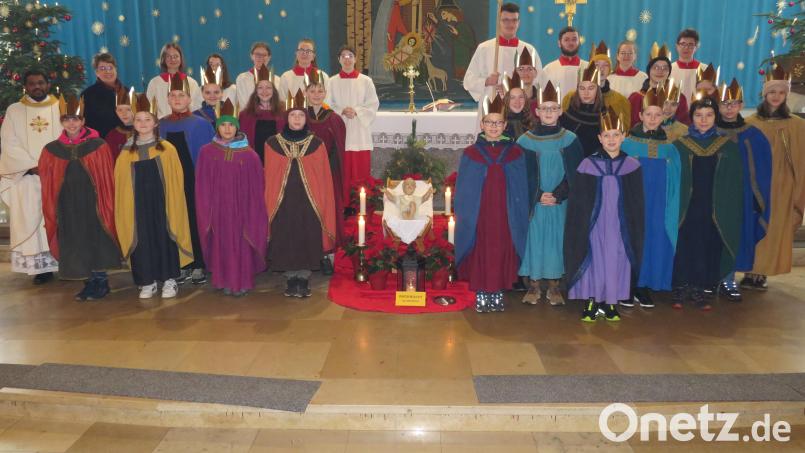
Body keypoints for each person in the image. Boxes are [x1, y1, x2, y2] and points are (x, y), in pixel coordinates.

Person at [565, 107, 644, 322]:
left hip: (620, 226)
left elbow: (636, 202)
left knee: (617, 260)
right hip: (595, 224)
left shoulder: (632, 165)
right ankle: (591, 300)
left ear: (624, 136)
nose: (611, 140)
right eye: (607, 135)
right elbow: (578, 201)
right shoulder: (587, 165)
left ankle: (611, 302)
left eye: (616, 135)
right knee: (594, 260)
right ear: (600, 138)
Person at [39, 94, 121, 301]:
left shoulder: (98, 145)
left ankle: (101, 281)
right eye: (67, 119)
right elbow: (48, 181)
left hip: (94, 204)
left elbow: (106, 177)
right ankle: (88, 282)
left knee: (96, 238)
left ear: (83, 121)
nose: (71, 123)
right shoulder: (51, 150)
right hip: (68, 205)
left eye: (75, 119)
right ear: (61, 122)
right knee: (76, 240)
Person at [114, 94, 193, 299]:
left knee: (164, 236)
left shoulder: (167, 149)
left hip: (162, 204)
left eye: (147, 119)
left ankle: (169, 280)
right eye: (138, 120)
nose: (143, 123)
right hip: (136, 206)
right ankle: (146, 281)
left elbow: (176, 181)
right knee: (141, 239)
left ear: (155, 122)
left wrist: (171, 204)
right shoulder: (125, 152)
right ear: (133, 123)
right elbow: (121, 185)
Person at [455, 94, 528, 313]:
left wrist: (517, 211)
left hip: (505, 212)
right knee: (481, 248)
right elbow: (464, 189)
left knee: (501, 247)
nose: (494, 127)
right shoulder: (471, 153)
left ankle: (497, 290)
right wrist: (467, 214)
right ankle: (481, 290)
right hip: (481, 212)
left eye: (498, 122)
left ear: (505, 125)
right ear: (482, 124)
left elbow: (520, 186)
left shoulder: (515, 152)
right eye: (489, 122)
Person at [672, 92, 743, 310]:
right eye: (699, 115)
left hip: (713, 207)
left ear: (715, 117)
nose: (703, 120)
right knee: (685, 244)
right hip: (687, 205)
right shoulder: (680, 145)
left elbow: (734, 182)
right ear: (691, 118)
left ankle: (702, 288)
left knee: (708, 245)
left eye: (709, 115)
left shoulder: (727, 146)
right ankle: (682, 286)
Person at [265, 89, 337, 298]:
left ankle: (304, 277)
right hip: (283, 200)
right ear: (286, 119)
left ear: (306, 119)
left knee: (307, 233)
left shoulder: (316, 144)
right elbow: (270, 176)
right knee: (285, 233)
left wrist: (322, 201)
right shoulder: (272, 143)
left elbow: (323, 177)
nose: (296, 119)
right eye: (292, 115)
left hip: (309, 200)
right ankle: (290, 278)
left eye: (300, 116)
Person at [517, 81, 584, 306]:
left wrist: (558, 194)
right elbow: (520, 175)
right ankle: (534, 285)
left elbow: (577, 173)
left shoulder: (570, 140)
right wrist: (538, 195)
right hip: (534, 203)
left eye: (553, 108)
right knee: (535, 241)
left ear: (560, 111)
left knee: (557, 240)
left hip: (559, 201)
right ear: (537, 111)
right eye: (544, 108)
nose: (549, 113)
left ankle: (555, 286)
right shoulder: (525, 141)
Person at [196, 99, 267, 297]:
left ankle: (242, 280)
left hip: (242, 210)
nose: (227, 129)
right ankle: (223, 279)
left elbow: (257, 188)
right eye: (223, 125)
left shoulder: (250, 155)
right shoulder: (207, 152)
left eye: (231, 125)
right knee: (222, 242)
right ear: (217, 127)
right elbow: (201, 184)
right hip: (218, 210)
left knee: (241, 242)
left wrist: (253, 210)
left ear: (237, 128)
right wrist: (206, 208)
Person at [744, 65, 805, 288]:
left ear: (786, 94)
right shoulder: (751, 123)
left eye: (781, 92)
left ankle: (763, 271)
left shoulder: (798, 126)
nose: (776, 96)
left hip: (782, 185)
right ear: (764, 94)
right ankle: (750, 269)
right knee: (754, 223)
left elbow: (801, 159)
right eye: (772, 92)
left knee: (774, 225)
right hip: (756, 184)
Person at [621, 87, 682, 308]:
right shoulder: (626, 144)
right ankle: (627, 285)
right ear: (640, 116)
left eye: (658, 114)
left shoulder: (670, 148)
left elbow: (676, 179)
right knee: (631, 237)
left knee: (653, 239)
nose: (653, 118)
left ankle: (644, 285)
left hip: (659, 205)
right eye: (649, 114)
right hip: (634, 203)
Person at [0, 70, 61, 284]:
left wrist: (54, 166)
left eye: (41, 83)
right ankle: (41, 267)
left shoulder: (59, 107)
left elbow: (68, 136)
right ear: (25, 86)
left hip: (56, 175)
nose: (37, 86)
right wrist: (33, 166)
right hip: (27, 176)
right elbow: (8, 143)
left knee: (58, 218)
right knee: (32, 221)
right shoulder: (14, 110)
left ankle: (64, 261)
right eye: (32, 83)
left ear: (48, 84)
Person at [715, 78, 772, 301]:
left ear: (741, 105)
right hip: (714, 195)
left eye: (734, 103)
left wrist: (758, 198)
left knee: (736, 237)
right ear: (717, 106)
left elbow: (763, 169)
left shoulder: (754, 135)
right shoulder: (708, 131)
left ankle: (728, 280)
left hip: (742, 198)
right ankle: (711, 278)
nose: (729, 108)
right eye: (724, 103)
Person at [158, 74, 215, 286]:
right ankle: (182, 263)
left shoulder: (200, 124)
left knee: (194, 218)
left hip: (194, 179)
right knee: (175, 219)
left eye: (181, 95)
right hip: (171, 181)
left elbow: (209, 156)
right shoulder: (161, 125)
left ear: (189, 99)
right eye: (173, 95)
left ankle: (199, 262)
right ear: (167, 99)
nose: (177, 99)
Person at [463, 2, 541, 126]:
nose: (510, 24)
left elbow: (538, 82)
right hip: (492, 105)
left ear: (519, 23)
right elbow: (468, 81)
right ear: (498, 21)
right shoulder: (484, 48)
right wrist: (487, 81)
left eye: (514, 20)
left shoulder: (529, 50)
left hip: (521, 111)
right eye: (505, 20)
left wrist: (516, 89)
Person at [325, 45, 380, 202]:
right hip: (340, 130)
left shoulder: (366, 81)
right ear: (339, 60)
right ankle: (343, 204)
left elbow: (373, 104)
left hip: (359, 131)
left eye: (350, 55)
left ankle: (362, 205)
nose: (347, 59)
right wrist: (341, 110)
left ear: (355, 59)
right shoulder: (332, 81)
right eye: (344, 56)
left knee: (360, 169)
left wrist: (356, 111)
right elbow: (326, 104)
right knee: (342, 169)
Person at [306, 69, 347, 263]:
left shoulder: (334, 119)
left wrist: (326, 169)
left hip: (327, 173)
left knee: (327, 210)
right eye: (312, 91)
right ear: (306, 93)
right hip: (304, 174)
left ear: (325, 93)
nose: (316, 95)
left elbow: (338, 150)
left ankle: (329, 253)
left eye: (319, 91)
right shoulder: (298, 117)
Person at [562, 41, 630, 130]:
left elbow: (624, 131)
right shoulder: (571, 97)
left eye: (606, 65)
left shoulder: (620, 101)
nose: (601, 69)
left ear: (610, 69)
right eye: (597, 64)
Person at [628, 43, 690, 128]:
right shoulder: (636, 98)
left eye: (665, 68)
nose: (660, 72)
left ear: (669, 72)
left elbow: (684, 127)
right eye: (656, 68)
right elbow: (630, 126)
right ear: (649, 70)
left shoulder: (679, 97)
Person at [239, 65, 285, 163]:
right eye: (260, 88)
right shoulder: (245, 115)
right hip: (253, 161)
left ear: (274, 91)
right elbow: (241, 142)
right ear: (255, 92)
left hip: (277, 162)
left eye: (268, 87)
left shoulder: (283, 114)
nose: (264, 91)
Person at [146, 43, 201, 118]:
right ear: (163, 59)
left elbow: (196, 106)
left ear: (181, 58)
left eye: (176, 56)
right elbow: (150, 107)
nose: (173, 59)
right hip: (162, 124)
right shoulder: (155, 83)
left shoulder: (191, 83)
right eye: (168, 56)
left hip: (187, 123)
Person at [560, 65, 604, 157]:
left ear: (597, 90)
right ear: (577, 89)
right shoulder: (566, 116)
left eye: (591, 88)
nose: (586, 93)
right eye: (582, 88)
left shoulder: (605, 117)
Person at [80, 52, 125, 137]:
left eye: (110, 67)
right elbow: (85, 125)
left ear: (116, 69)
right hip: (100, 143)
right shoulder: (87, 95)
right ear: (97, 72)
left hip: (127, 141)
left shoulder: (127, 92)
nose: (108, 71)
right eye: (102, 68)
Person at [542, 26, 589, 97]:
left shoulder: (588, 67)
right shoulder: (548, 69)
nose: (571, 43)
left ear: (579, 42)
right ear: (559, 43)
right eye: (566, 40)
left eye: (574, 39)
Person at [235, 42, 274, 109]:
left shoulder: (277, 80)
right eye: (257, 54)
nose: (261, 57)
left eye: (264, 55)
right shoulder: (242, 78)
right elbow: (243, 103)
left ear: (269, 57)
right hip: (250, 117)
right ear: (251, 56)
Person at [672, 29, 703, 104]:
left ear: (696, 47)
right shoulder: (670, 69)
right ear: (677, 46)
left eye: (690, 45)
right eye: (683, 44)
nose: (686, 48)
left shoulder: (704, 69)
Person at [105, 87, 135, 160]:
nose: (124, 113)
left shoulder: (143, 132)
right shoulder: (112, 136)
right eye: (120, 110)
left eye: (128, 109)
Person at [502, 71, 532, 140]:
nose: (517, 102)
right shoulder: (500, 125)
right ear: (506, 100)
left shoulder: (531, 123)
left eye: (520, 97)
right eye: (512, 98)